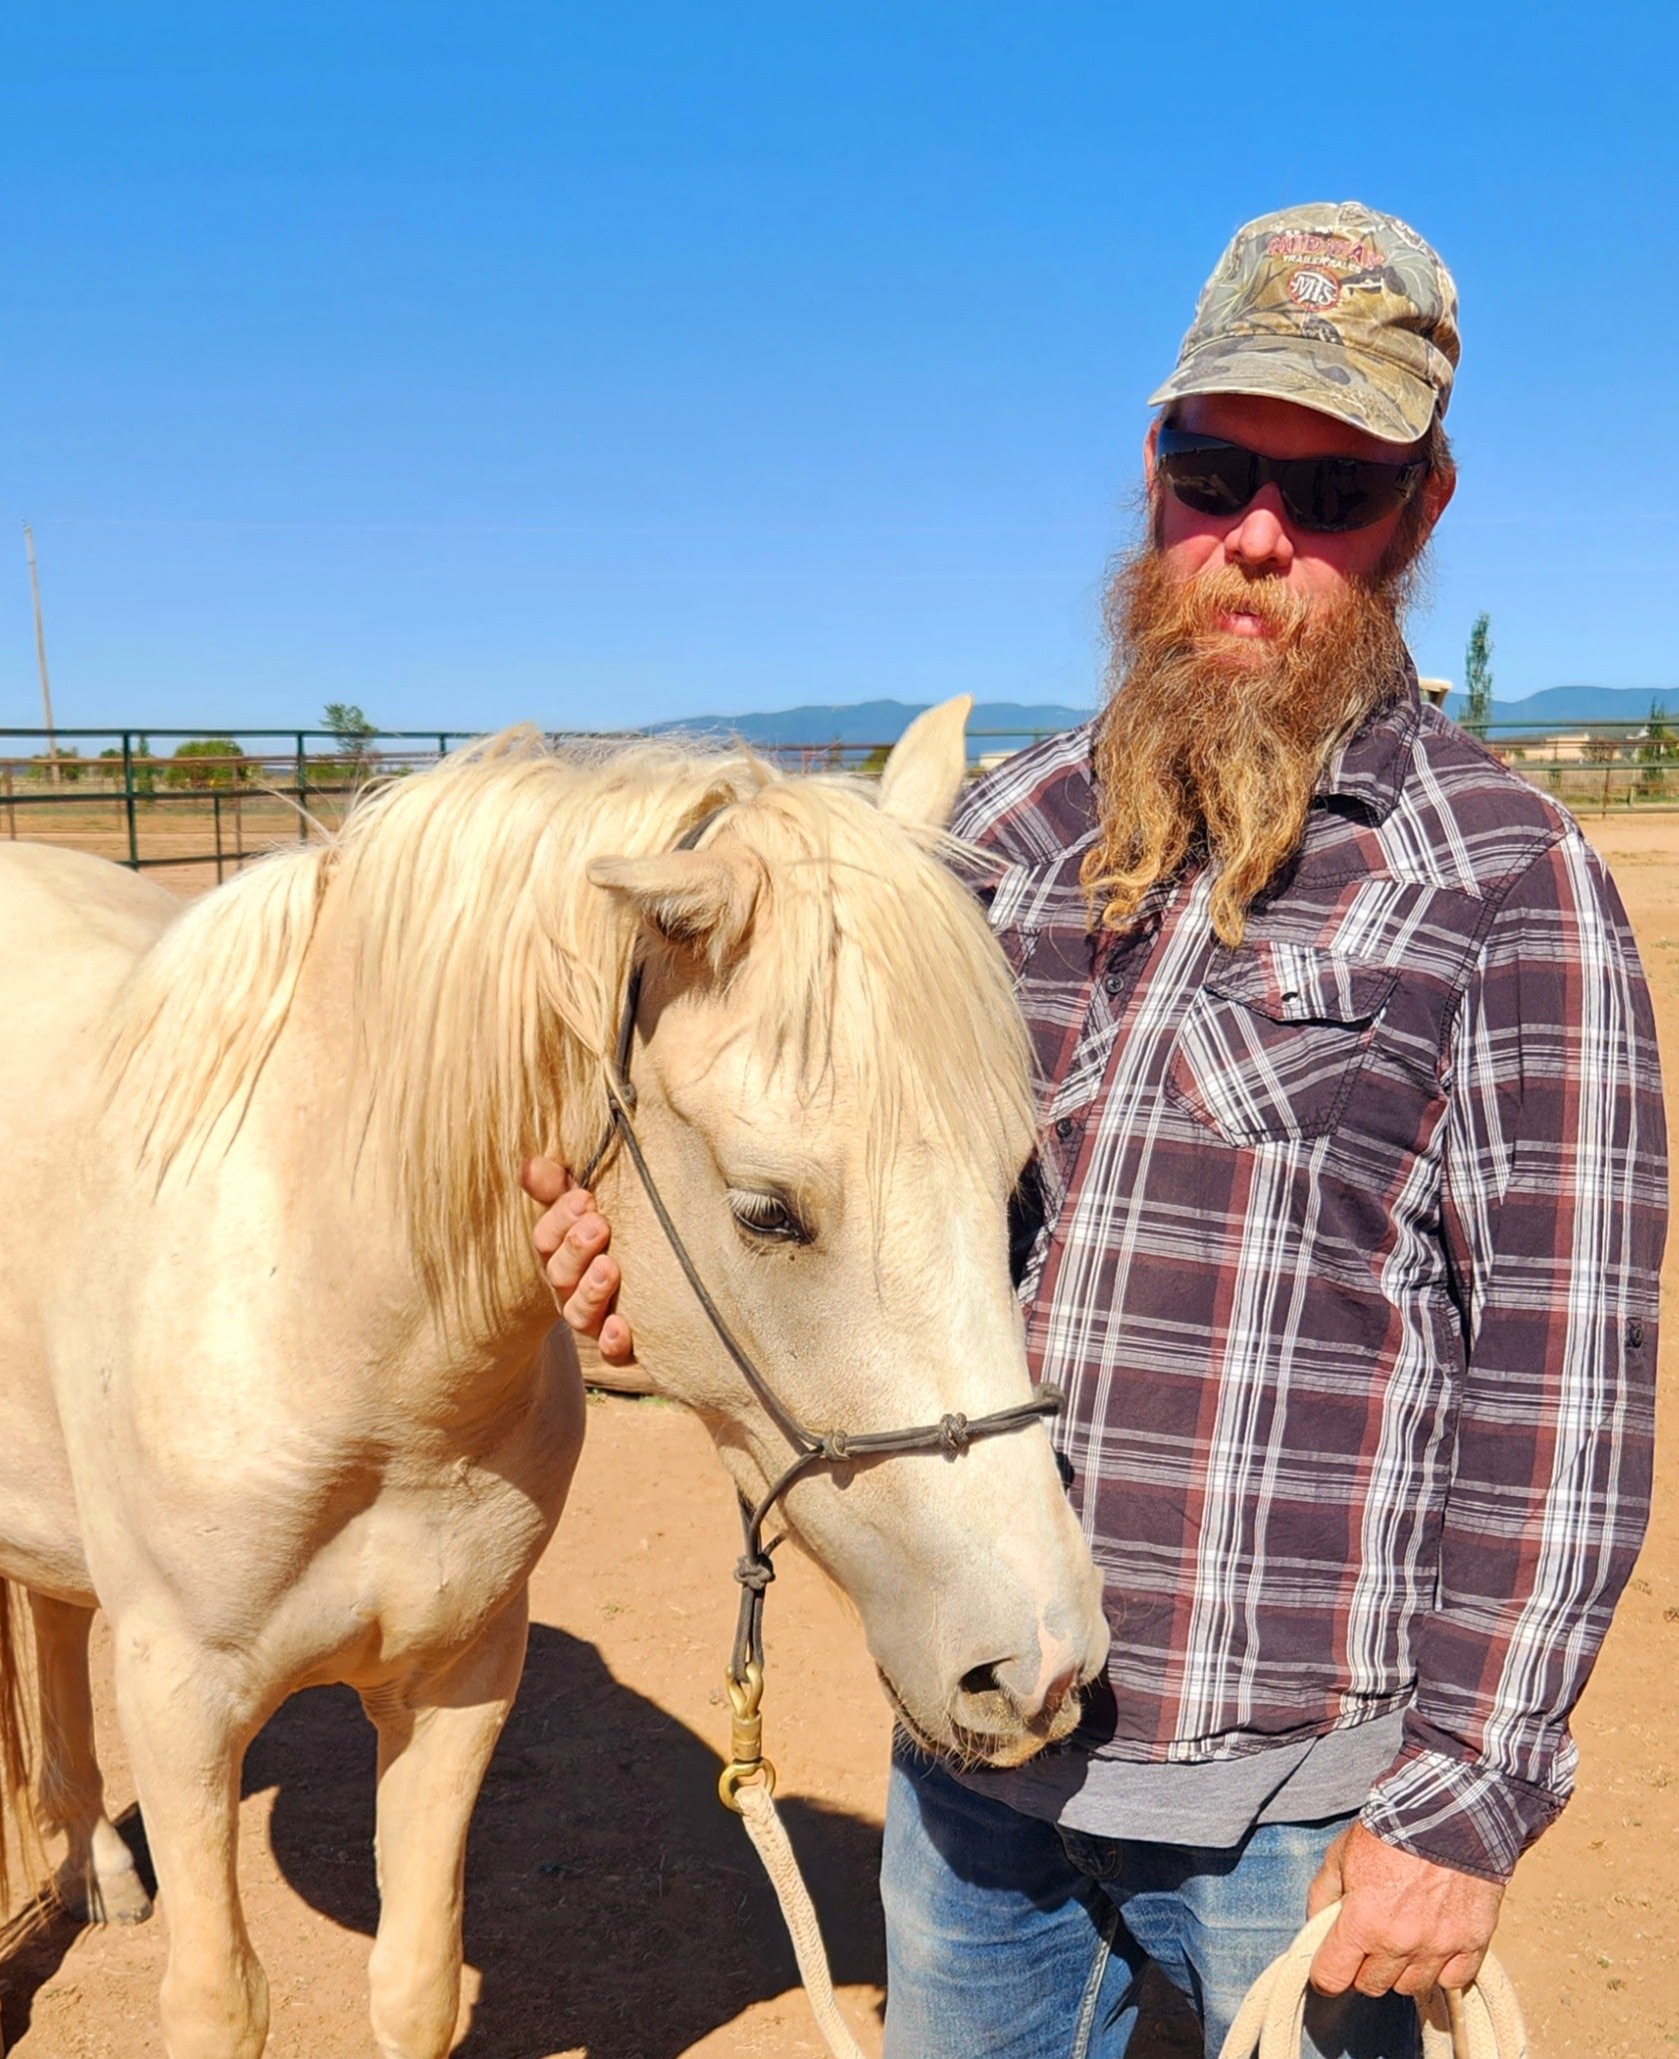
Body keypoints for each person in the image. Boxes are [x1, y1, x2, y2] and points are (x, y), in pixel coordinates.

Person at [522, 201, 1665, 2058]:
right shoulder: (994, 844)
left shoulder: (1509, 881)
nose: (1263, 538)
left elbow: (1563, 1385)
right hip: (978, 1781)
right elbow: (849, 1223)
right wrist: (648, 1306)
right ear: (1154, 470)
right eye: (1220, 470)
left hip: (1295, 1826)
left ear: (1424, 510)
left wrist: (1460, 1806)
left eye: (1339, 488)